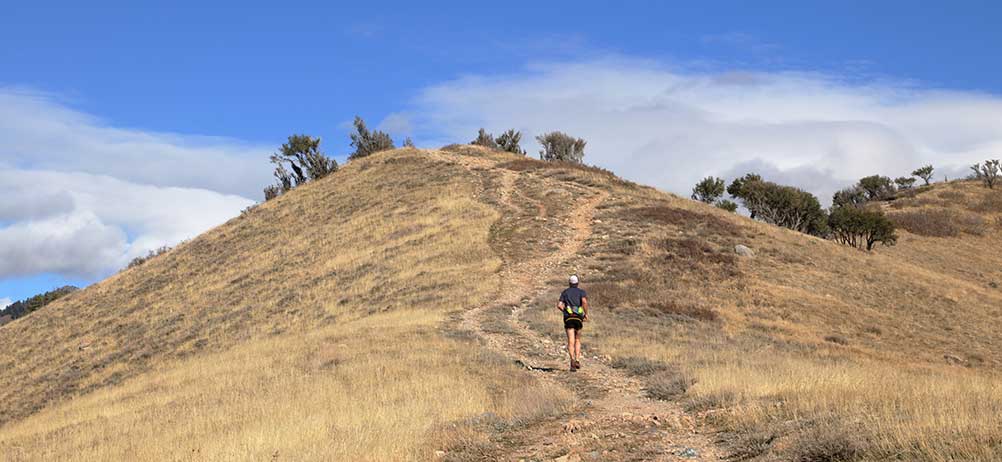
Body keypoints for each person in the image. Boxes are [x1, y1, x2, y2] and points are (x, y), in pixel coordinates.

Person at [557, 275, 588, 371]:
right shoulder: (581, 292)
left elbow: (559, 305)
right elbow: (584, 301)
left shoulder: (565, 292)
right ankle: (578, 359)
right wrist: (585, 313)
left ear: (569, 283)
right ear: (577, 283)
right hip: (578, 318)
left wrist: (565, 311)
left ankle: (572, 360)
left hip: (568, 318)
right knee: (577, 339)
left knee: (571, 340)